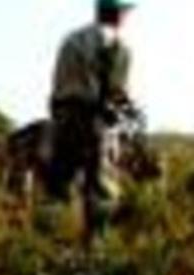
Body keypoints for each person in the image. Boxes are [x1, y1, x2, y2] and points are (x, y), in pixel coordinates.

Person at [46, 0, 138, 235]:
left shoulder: (71, 39)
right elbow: (116, 91)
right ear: (118, 14)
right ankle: (97, 250)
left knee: (59, 181)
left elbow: (58, 80)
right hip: (93, 119)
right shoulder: (118, 45)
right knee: (100, 188)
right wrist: (127, 107)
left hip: (62, 116)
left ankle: (50, 238)